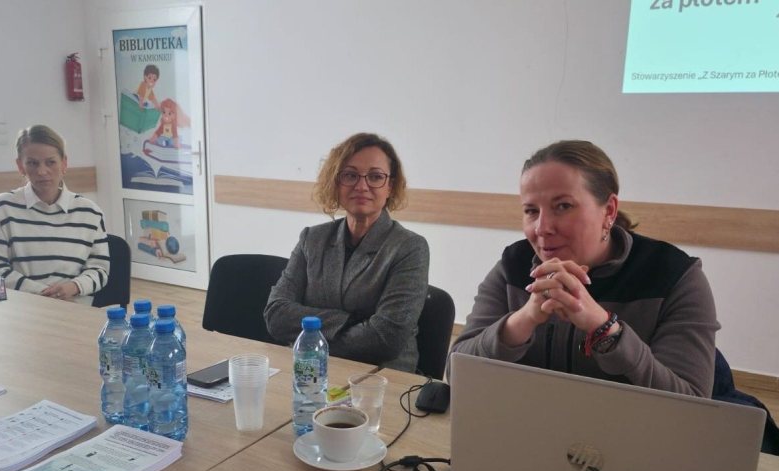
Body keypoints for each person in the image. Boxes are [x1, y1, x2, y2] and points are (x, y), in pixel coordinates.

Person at [451, 140, 719, 397]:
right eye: (531, 211)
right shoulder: (513, 266)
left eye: (563, 206)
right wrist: (523, 320)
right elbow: (456, 373)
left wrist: (605, 329)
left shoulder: (675, 276)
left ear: (609, 211)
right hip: (527, 422)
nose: (542, 228)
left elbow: (691, 406)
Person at [265, 132, 429, 372]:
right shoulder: (311, 238)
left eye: (375, 177)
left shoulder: (409, 247)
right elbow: (276, 315)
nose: (361, 186)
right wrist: (351, 321)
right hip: (311, 371)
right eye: (350, 175)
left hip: (380, 377)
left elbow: (386, 339)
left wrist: (312, 336)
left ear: (390, 187)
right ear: (336, 182)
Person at [0, 125, 110, 305]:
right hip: (22, 307)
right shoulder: (3, 207)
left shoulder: (90, 212)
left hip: (74, 307)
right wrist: (41, 293)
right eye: (32, 163)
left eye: (50, 162)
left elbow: (100, 270)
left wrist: (74, 286)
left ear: (64, 163)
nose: (42, 171)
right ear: (20, 166)